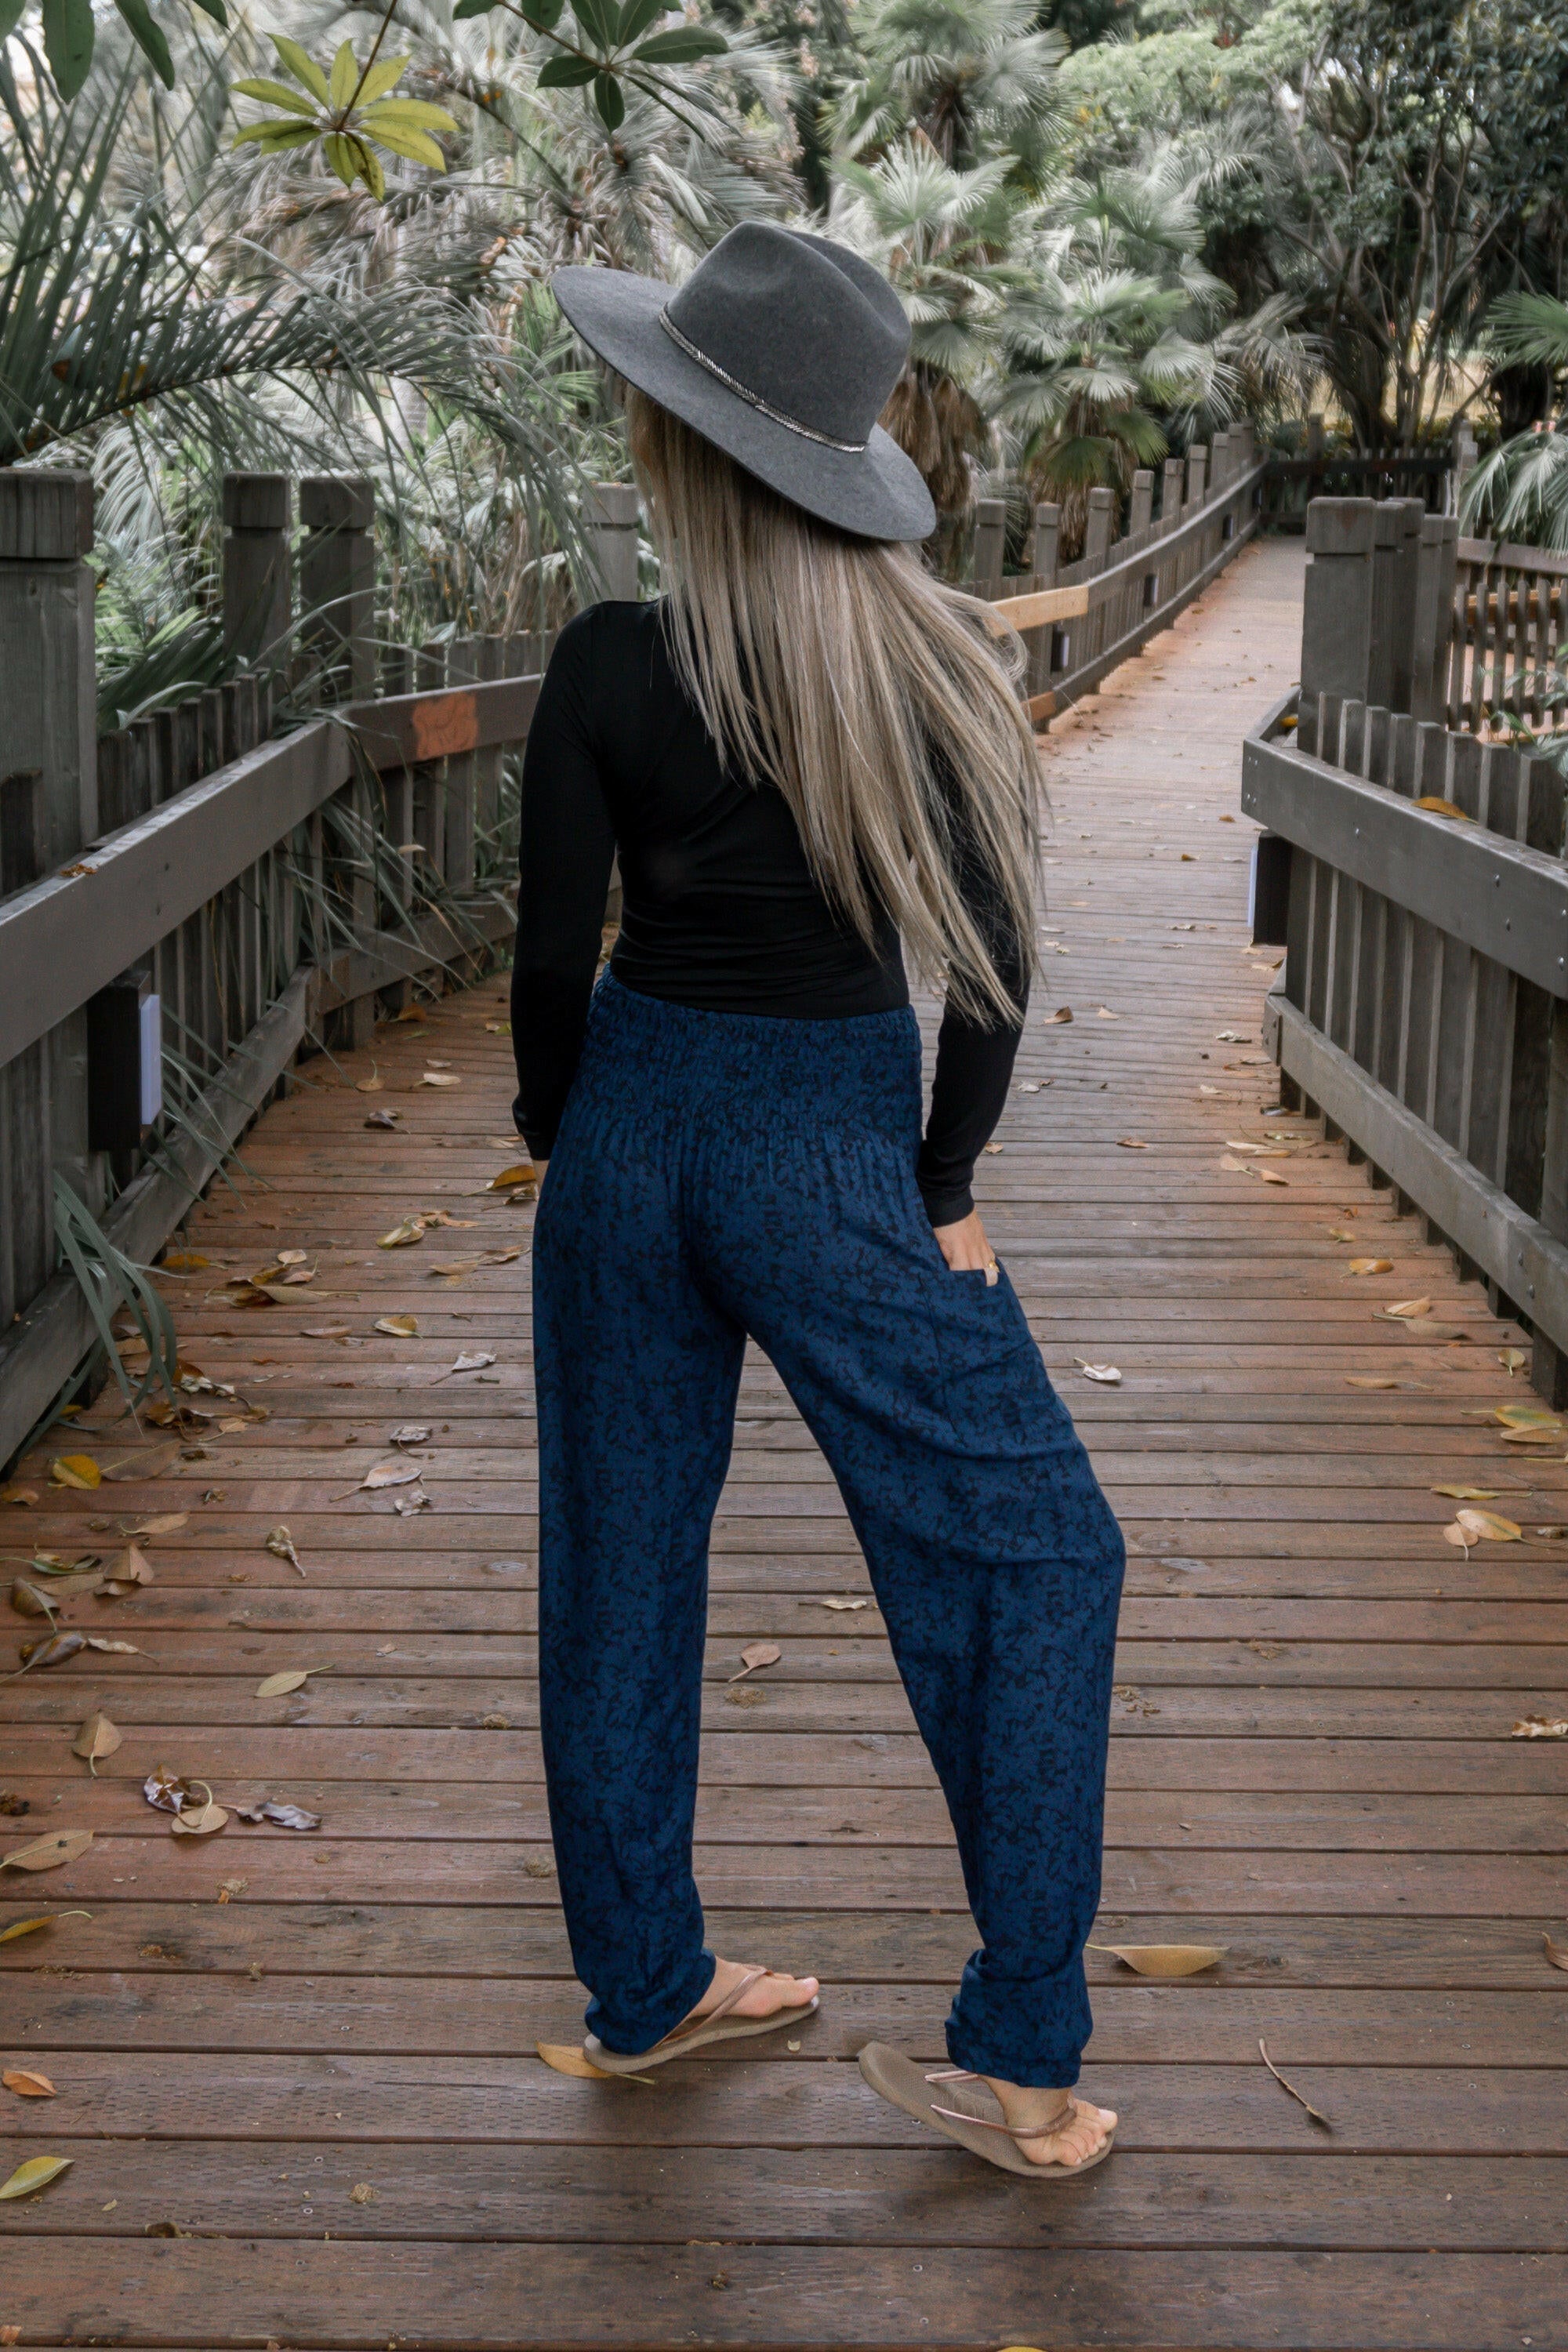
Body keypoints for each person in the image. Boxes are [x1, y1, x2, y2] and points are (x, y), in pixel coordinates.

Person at [510, 221, 1126, 2180]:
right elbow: (1001, 968)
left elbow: (541, 965)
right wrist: (945, 1185)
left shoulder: (611, 655)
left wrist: (567, 1133)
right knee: (1039, 1553)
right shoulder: (932, 664)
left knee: (617, 1566)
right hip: (833, 1150)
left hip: (628, 1127)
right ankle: (1021, 2058)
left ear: (691, 440)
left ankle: (645, 1994)